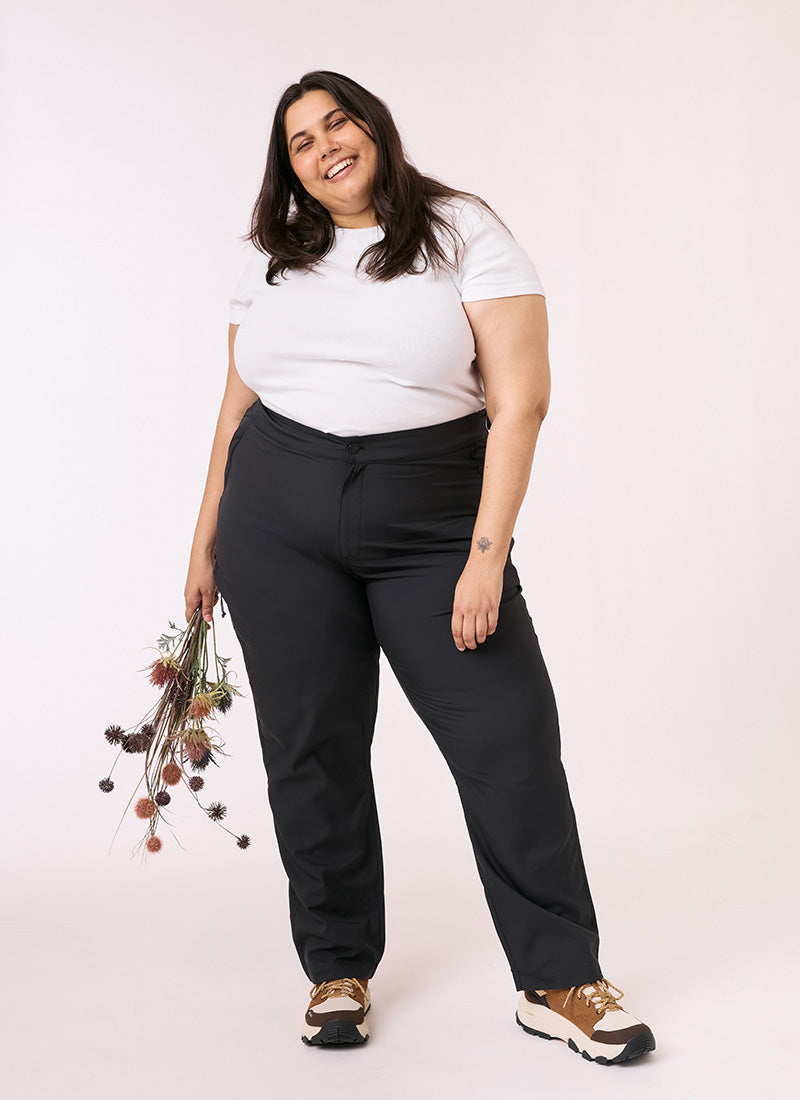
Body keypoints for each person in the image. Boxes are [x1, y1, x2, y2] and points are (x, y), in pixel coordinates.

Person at [184, 70, 656, 1064]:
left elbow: (521, 401)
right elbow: (235, 407)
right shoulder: (273, 257)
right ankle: (336, 967)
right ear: (291, 171)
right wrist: (203, 542)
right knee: (310, 750)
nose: (324, 147)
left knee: (508, 741)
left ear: (374, 127)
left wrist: (486, 557)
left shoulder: (462, 230)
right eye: (301, 142)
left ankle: (559, 977)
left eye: (337, 123)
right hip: (275, 521)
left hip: (433, 524)